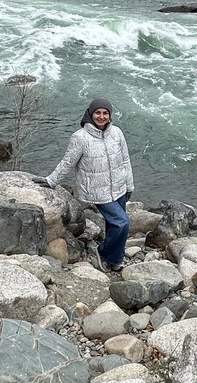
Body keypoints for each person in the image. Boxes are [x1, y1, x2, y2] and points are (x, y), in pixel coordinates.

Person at [34, 96, 134, 271]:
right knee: (122, 222)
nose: (101, 117)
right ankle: (103, 252)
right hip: (97, 190)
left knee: (114, 224)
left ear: (110, 115)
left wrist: (129, 185)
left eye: (105, 113)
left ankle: (115, 260)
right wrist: (51, 180)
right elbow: (67, 162)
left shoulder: (117, 133)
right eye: (97, 113)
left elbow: (125, 160)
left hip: (119, 187)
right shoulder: (80, 137)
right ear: (90, 114)